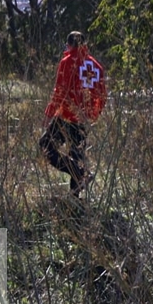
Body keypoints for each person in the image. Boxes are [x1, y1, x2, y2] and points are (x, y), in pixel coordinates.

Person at [40, 31, 106, 195]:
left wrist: (49, 114)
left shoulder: (68, 62)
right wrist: (93, 115)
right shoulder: (96, 66)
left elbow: (60, 92)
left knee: (45, 147)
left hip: (66, 117)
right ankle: (75, 204)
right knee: (76, 157)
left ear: (69, 45)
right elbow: (102, 95)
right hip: (83, 121)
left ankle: (79, 174)